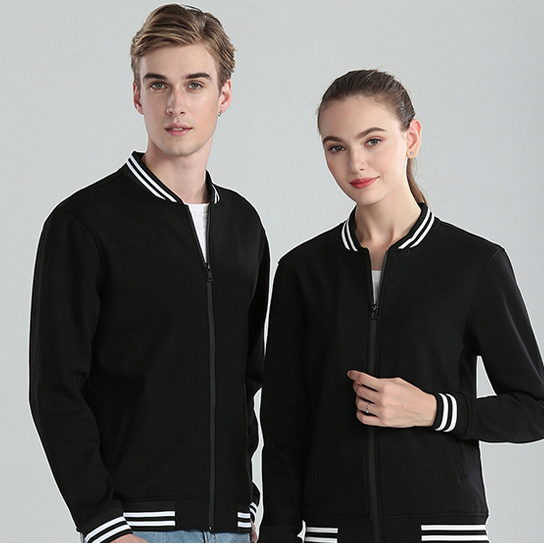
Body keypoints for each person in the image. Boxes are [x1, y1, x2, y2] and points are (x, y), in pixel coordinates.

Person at [259, 69, 544, 543]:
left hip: (441, 532)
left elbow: (535, 407)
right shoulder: (302, 271)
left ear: (411, 138)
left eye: (372, 140)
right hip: (332, 533)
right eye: (336, 147)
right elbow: (283, 427)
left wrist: (434, 409)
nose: (356, 163)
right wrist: (279, 536)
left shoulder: (474, 264)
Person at [29, 5, 269, 543]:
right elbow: (55, 388)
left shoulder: (244, 226)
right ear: (137, 95)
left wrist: (247, 507)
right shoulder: (84, 224)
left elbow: (246, 380)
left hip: (233, 527)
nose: (176, 104)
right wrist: (104, 526)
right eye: (158, 84)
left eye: (195, 84)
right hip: (138, 526)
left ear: (224, 95)